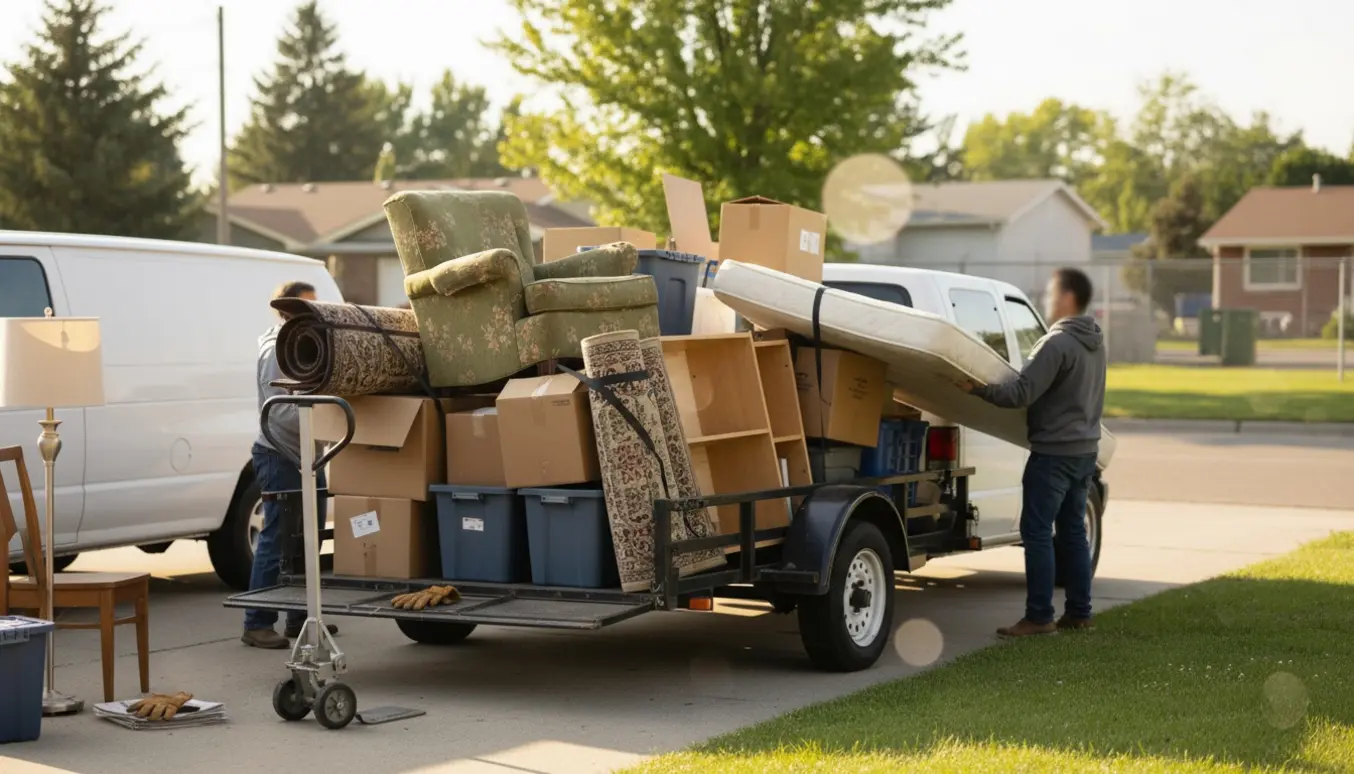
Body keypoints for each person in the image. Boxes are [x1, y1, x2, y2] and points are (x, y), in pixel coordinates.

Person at [961, 268, 1106, 638]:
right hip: (1084, 452)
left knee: (1037, 531)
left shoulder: (1056, 344)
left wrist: (975, 387)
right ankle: (1079, 611)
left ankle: (1039, 617)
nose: (1047, 300)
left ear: (1068, 298)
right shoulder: (1095, 341)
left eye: (1052, 293)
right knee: (1072, 531)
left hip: (1054, 455)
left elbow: (1020, 393)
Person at [242, 281, 338, 649]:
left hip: (308, 454)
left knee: (306, 539)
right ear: (286, 311)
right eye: (306, 307)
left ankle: (300, 617)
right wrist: (326, 421)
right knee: (277, 539)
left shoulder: (305, 342)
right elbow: (280, 412)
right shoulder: (275, 350)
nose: (315, 314)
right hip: (281, 453)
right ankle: (257, 621)